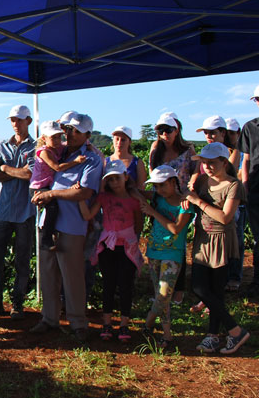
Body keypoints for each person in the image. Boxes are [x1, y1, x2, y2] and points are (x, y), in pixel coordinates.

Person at [30, 113, 103, 342]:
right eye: (68, 129)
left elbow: (84, 192)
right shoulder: (58, 152)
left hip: (72, 224)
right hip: (48, 222)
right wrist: (47, 194)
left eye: (76, 131)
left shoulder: (91, 159)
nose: (70, 134)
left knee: (72, 276)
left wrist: (51, 194)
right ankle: (49, 318)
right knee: (48, 273)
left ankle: (78, 322)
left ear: (87, 135)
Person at [185, 142, 250, 355]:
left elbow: (225, 217)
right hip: (202, 238)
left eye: (212, 163)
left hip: (221, 240)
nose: (207, 167)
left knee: (215, 290)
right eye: (204, 163)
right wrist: (188, 199)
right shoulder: (202, 180)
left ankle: (216, 334)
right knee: (199, 287)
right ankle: (232, 331)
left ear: (224, 162)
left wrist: (198, 202)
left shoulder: (233, 186)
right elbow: (188, 193)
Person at [0, 105, 36, 320]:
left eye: (19, 120)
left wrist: (5, 168)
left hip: (24, 210)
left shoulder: (35, 147)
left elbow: (31, 175)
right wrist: (18, 172)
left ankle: (17, 303)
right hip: (1, 208)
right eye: (13, 120)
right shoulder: (1, 146)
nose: (16, 123)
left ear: (28, 121)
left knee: (22, 259)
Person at [79, 159, 142, 342]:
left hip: (126, 247)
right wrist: (80, 197)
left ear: (126, 177)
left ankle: (124, 324)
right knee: (109, 284)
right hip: (108, 247)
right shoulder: (104, 198)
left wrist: (125, 236)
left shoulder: (134, 201)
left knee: (125, 285)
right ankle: (107, 323)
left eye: (117, 178)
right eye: (110, 179)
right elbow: (88, 215)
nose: (114, 182)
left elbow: (139, 225)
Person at [138, 166, 194, 349]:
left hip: (172, 253)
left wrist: (153, 212)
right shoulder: (157, 197)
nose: (159, 190)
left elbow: (176, 229)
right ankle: (167, 335)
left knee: (163, 295)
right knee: (161, 295)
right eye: (156, 186)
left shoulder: (185, 204)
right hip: (154, 251)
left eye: (162, 185)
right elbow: (136, 192)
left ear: (173, 182)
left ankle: (148, 322)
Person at [149, 112, 197, 305]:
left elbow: (195, 171)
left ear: (177, 130)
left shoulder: (188, 149)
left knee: (178, 243)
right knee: (161, 238)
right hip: (160, 198)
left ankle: (178, 290)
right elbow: (153, 172)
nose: (164, 134)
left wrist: (188, 193)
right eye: (161, 130)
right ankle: (160, 287)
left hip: (180, 201)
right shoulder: (156, 149)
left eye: (168, 130)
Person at [30, 119, 87, 254]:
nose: (56, 140)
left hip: (47, 185)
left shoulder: (58, 148)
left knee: (54, 206)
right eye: (53, 137)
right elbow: (57, 167)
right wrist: (76, 161)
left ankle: (52, 232)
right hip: (38, 186)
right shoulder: (43, 152)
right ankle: (46, 239)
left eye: (58, 137)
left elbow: (72, 144)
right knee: (52, 207)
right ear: (44, 138)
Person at [238, 87, 259, 296]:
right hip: (256, 188)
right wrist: (245, 185)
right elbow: (246, 160)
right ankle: (257, 282)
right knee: (258, 238)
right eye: (258, 99)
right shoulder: (250, 127)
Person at [225, 118, 246, 292]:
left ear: (238, 133)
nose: (229, 136)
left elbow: (238, 175)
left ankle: (234, 276)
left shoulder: (243, 152)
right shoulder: (223, 151)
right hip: (226, 199)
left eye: (232, 133)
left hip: (239, 201)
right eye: (226, 133)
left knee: (237, 240)